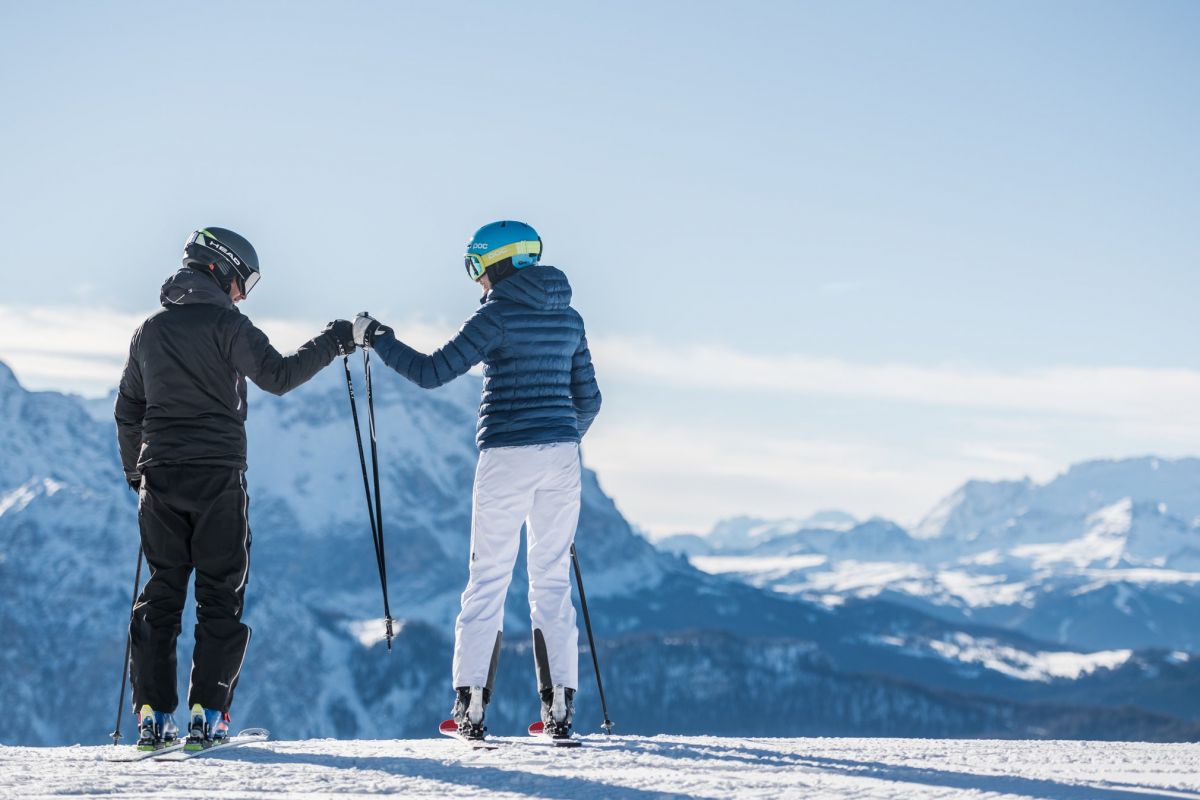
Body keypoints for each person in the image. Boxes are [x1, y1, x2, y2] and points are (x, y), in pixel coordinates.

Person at [353, 220, 601, 741]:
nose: (476, 279)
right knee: (551, 579)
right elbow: (590, 400)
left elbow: (432, 372)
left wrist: (378, 338)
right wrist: (558, 437)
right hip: (562, 456)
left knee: (488, 578)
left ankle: (471, 707)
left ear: (497, 263)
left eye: (474, 267)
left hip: (507, 455)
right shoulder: (570, 318)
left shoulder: (497, 315)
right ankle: (559, 709)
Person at [114, 227, 356, 751]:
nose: (242, 295)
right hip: (218, 477)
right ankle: (209, 714)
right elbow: (279, 376)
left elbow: (128, 410)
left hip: (160, 476)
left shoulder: (148, 332)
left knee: (161, 591)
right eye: (243, 283)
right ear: (221, 270)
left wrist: (137, 473)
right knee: (219, 594)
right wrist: (334, 341)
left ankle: (153, 715)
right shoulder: (229, 325)